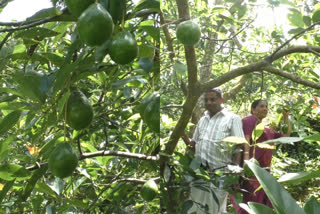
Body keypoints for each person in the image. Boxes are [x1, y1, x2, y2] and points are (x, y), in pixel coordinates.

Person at [182, 88, 245, 214]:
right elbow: (193, 145)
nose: (209, 103)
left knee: (214, 209)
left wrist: (235, 174)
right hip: (198, 172)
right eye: (206, 100)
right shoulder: (202, 119)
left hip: (220, 174)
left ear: (221, 100)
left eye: (213, 99)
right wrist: (181, 134)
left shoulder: (232, 118)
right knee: (194, 207)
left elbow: (239, 147)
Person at [231, 99, 291, 214]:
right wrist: (246, 163)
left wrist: (286, 118)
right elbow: (246, 139)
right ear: (253, 109)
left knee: (261, 207)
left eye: (266, 107)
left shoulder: (267, 130)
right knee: (249, 205)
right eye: (261, 106)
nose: (265, 109)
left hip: (263, 174)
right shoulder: (249, 120)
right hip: (251, 171)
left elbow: (286, 135)